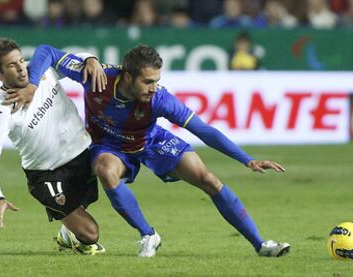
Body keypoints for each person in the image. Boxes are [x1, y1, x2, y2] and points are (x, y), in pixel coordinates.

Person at [26, 44, 290, 258]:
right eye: (148, 81)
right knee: (106, 171)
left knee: (208, 180)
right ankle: (148, 235)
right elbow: (46, 51)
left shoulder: (161, 100)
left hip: (150, 141)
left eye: (157, 81)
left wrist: (247, 160)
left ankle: (261, 244)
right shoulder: (97, 77)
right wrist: (33, 85)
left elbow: (204, 130)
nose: (154, 87)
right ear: (127, 77)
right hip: (109, 146)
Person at [0, 38, 107, 255]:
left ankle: (67, 231)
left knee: (111, 173)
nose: (21, 68)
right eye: (12, 65)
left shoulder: (41, 69)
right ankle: (70, 234)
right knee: (91, 235)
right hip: (46, 173)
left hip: (81, 157)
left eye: (20, 60)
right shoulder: (2, 109)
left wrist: (91, 59)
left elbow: (76, 57)